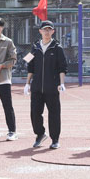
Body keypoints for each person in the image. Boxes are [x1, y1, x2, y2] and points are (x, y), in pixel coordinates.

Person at [24, 20, 67, 149]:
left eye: (49, 29)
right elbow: (30, 66)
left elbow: (62, 67)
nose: (47, 32)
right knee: (35, 113)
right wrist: (27, 84)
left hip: (52, 86)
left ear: (53, 31)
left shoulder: (57, 48)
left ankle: (55, 139)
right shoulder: (35, 47)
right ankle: (40, 134)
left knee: (54, 113)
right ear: (40, 31)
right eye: (44, 29)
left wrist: (62, 83)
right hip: (36, 86)